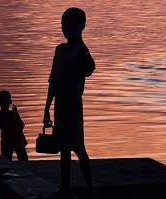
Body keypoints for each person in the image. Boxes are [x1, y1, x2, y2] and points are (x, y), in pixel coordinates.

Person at [43, 7, 96, 199]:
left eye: (69, 25)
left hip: (73, 107)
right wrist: (47, 108)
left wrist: (79, 38)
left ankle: (91, 192)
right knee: (64, 149)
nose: (65, 28)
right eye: (63, 25)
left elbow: (90, 68)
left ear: (78, 27)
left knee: (79, 148)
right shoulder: (60, 50)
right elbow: (52, 81)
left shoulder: (79, 51)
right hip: (60, 107)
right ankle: (65, 188)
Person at [0, 90, 28, 161]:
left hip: (16, 140)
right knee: (8, 161)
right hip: (9, 141)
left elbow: (21, 126)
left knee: (22, 160)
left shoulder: (12, 113)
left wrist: (16, 114)